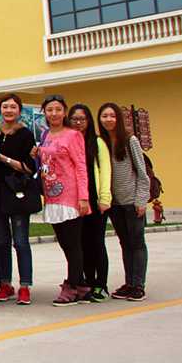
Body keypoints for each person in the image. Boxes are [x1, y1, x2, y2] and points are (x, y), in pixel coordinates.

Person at [38, 95, 91, 306]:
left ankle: (72, 286)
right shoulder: (45, 135)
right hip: (52, 196)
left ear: (64, 112)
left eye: (58, 109)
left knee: (73, 244)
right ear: (44, 112)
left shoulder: (73, 135)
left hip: (70, 197)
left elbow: (81, 166)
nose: (54, 114)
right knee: (64, 244)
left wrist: (83, 197)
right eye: (49, 110)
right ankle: (81, 285)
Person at [98, 103, 150, 301]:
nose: (108, 119)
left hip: (132, 201)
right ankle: (129, 283)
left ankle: (138, 285)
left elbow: (142, 173)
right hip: (115, 204)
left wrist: (141, 200)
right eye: (104, 116)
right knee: (125, 243)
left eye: (112, 116)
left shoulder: (130, 140)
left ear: (118, 118)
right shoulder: (101, 142)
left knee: (137, 243)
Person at [0, 94, 38, 305]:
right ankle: (5, 284)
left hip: (18, 192)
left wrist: (3, 158)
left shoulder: (26, 134)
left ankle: (25, 286)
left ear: (19, 110)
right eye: (5, 107)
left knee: (20, 242)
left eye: (13, 107)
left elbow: (28, 167)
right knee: (1, 241)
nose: (9, 110)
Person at [69, 103, 112, 302]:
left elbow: (106, 171)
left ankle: (100, 284)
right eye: (74, 119)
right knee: (81, 243)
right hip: (75, 200)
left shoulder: (97, 142)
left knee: (96, 243)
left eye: (82, 119)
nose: (78, 123)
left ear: (88, 121)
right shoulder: (68, 141)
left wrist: (105, 198)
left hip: (94, 200)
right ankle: (87, 281)